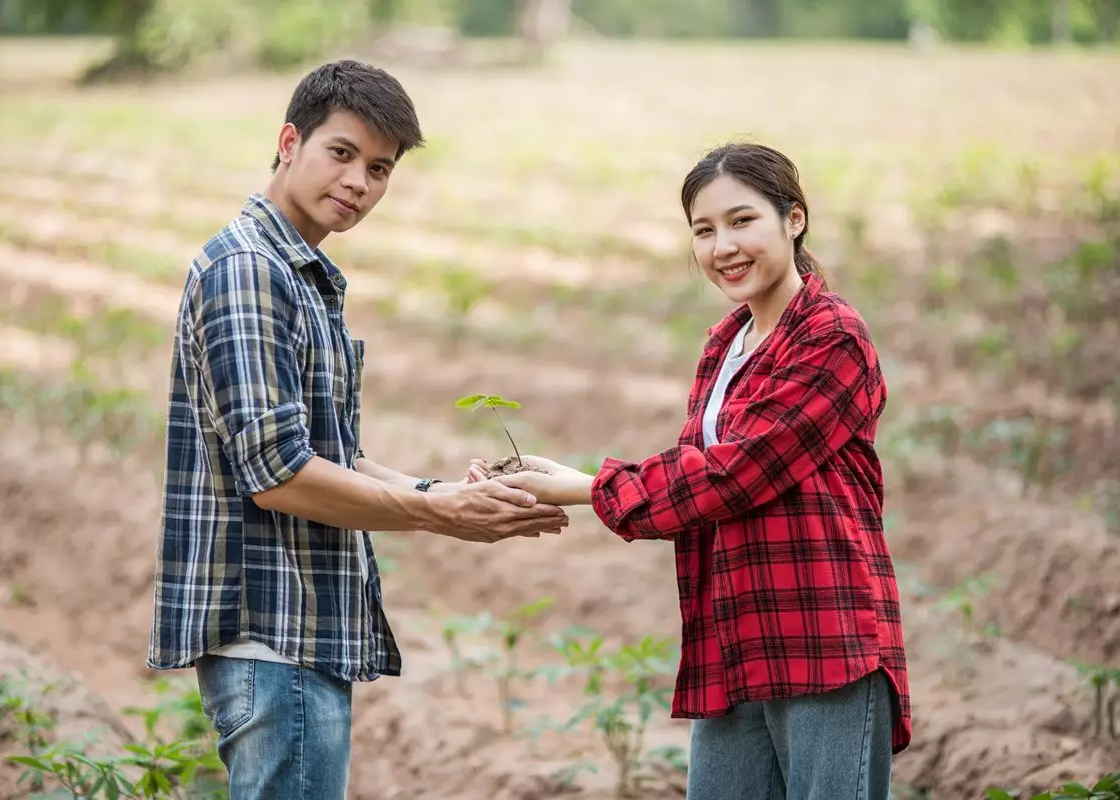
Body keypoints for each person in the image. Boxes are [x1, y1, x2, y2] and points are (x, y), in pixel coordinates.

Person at [147, 60, 568, 800]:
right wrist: (439, 513)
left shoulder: (299, 273)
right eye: (341, 154)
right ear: (289, 141)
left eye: (379, 169)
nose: (359, 184)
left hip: (301, 635)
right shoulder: (250, 270)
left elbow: (330, 454)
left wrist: (444, 493)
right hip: (274, 637)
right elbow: (278, 475)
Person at [470, 142, 911, 799]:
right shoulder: (724, 345)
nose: (722, 246)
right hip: (732, 639)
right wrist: (576, 478)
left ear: (793, 220)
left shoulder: (831, 337)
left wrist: (589, 487)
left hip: (823, 638)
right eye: (703, 231)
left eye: (742, 221)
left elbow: (734, 474)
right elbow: (701, 480)